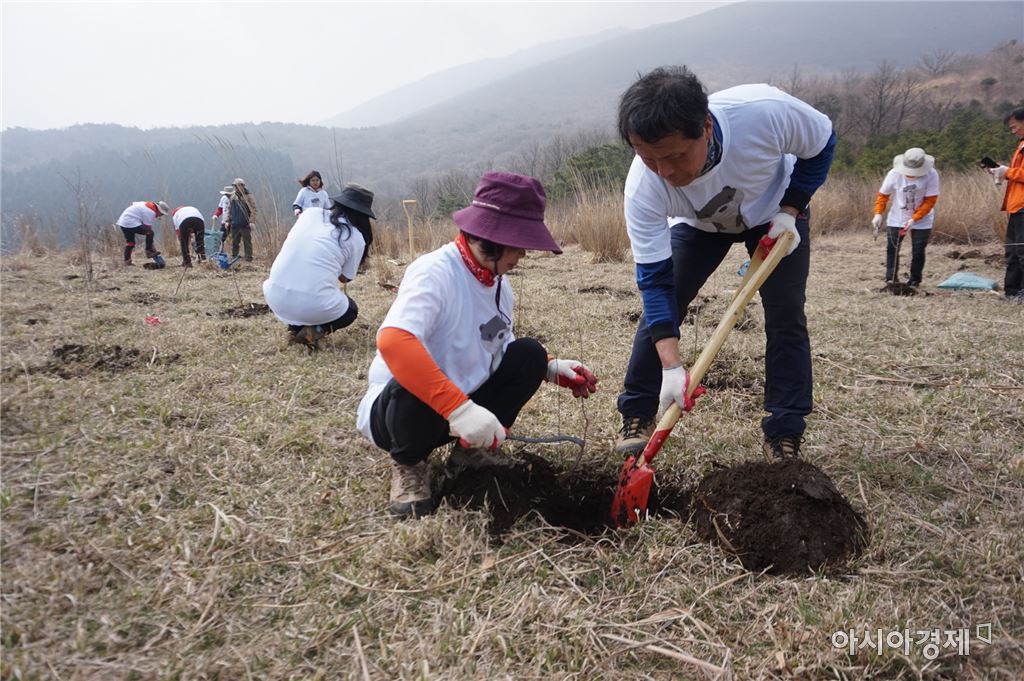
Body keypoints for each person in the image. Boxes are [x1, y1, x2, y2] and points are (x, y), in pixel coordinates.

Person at [613, 66, 836, 462]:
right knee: (666, 304)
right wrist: (671, 365)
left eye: (675, 156)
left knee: (785, 314)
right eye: (649, 159)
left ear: (706, 128)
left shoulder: (763, 113)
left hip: (774, 214)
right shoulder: (644, 189)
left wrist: (791, 208)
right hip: (699, 225)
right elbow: (654, 280)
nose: (665, 172)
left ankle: (784, 430)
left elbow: (822, 142)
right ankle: (637, 412)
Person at [355, 172, 599, 518]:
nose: (524, 253)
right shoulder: (434, 272)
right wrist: (459, 410)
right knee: (411, 384)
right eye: (519, 243)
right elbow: (394, 341)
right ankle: (409, 464)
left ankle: (470, 452)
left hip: (458, 404)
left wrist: (549, 367)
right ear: (493, 239)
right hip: (401, 413)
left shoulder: (498, 283)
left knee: (529, 354)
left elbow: (497, 340)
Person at [263, 183, 376, 348]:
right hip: (312, 304)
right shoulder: (355, 236)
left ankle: (294, 329)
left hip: (275, 297)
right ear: (363, 216)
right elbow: (344, 279)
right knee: (350, 311)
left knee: (305, 296)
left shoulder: (310, 214)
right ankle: (310, 333)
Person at [870, 148, 940, 287]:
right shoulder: (894, 174)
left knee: (918, 250)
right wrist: (878, 213)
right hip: (897, 217)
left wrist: (915, 218)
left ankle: (914, 280)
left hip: (922, 219)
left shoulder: (931, 174)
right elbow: (883, 195)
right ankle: (891, 279)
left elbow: (930, 200)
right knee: (892, 248)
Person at [990, 108, 1024, 300]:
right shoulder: (1021, 144)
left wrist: (1007, 172)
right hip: (1016, 206)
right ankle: (1012, 292)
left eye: (1014, 126)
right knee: (1012, 252)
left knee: (1022, 251)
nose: (1013, 131)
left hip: (1022, 207)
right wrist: (1002, 172)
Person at [115, 200, 170, 266]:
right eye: (162, 214)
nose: (160, 216)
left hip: (123, 221)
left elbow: (132, 203)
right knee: (150, 233)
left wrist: (134, 214)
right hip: (131, 222)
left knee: (130, 243)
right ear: (159, 210)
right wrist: (151, 247)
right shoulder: (151, 212)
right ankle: (148, 252)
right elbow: (148, 230)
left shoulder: (145, 204)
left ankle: (127, 261)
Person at [225, 178, 258, 262]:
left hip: (245, 224)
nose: (236, 188)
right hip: (235, 223)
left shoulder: (248, 196)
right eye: (235, 186)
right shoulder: (233, 196)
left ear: (242, 186)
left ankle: (248, 258)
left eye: (237, 186)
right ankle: (234, 257)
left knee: (247, 241)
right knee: (235, 242)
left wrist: (252, 221)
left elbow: (254, 210)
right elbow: (229, 209)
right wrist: (227, 220)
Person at [212, 185, 233, 251]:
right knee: (221, 237)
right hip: (224, 221)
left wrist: (229, 221)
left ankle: (233, 252)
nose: (227, 195)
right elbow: (220, 209)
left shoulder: (235, 199)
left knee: (234, 238)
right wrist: (216, 215)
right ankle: (219, 251)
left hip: (233, 222)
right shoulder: (223, 198)